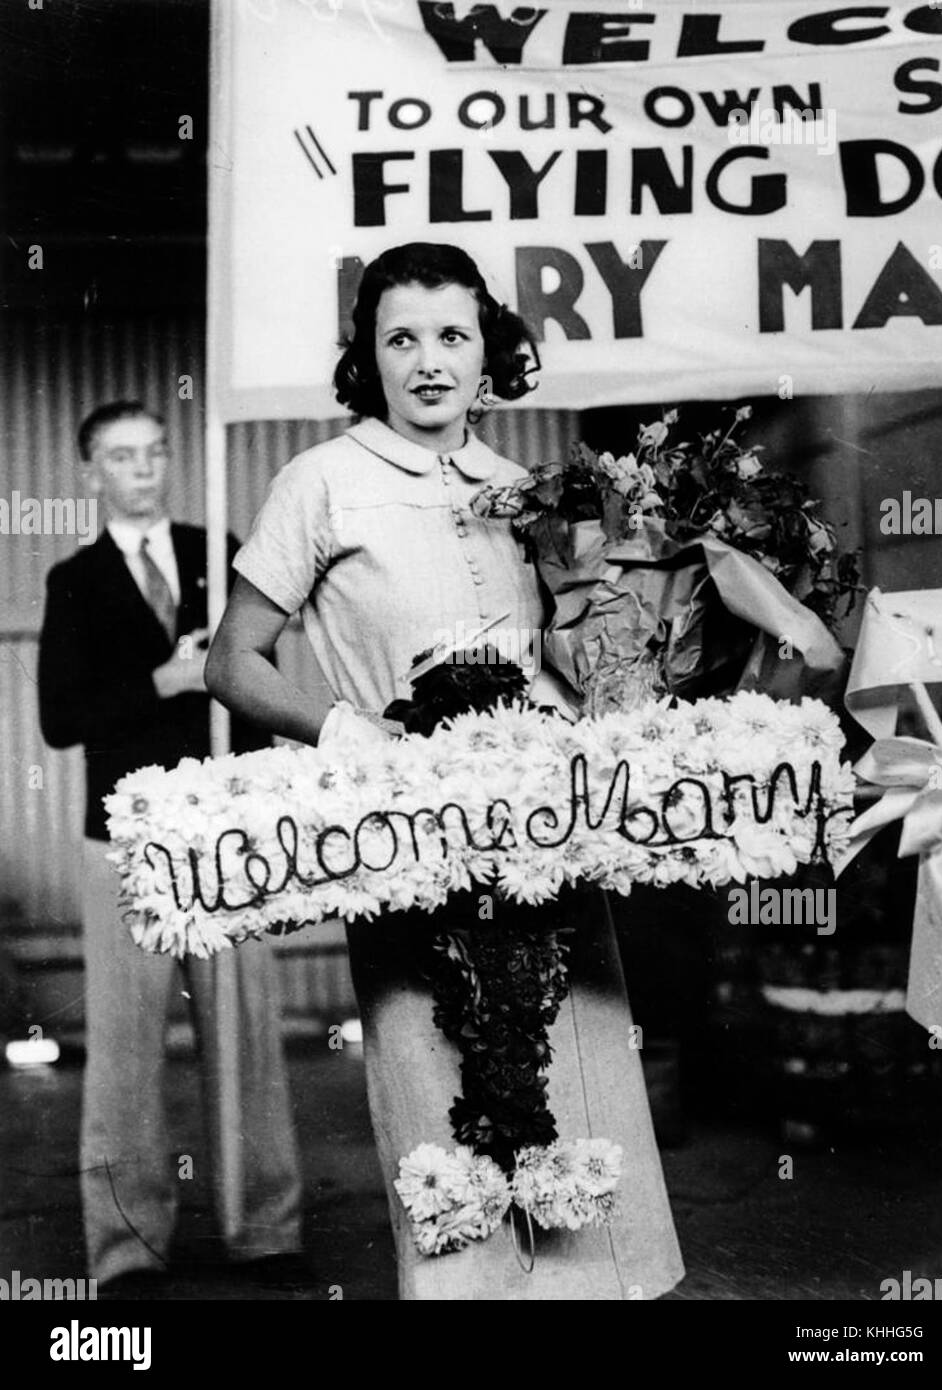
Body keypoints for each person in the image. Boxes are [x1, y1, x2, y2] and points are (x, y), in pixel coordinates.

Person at [205, 243, 685, 1300]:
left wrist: (622, 624)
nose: (429, 360)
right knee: (444, 1128)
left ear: (489, 354)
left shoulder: (527, 490)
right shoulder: (319, 481)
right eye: (401, 337)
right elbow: (229, 660)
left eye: (453, 335)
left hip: (548, 856)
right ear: (367, 358)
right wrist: (350, 735)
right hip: (409, 858)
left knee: (584, 1109)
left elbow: (584, 663)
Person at [38, 401, 305, 1297]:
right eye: (123, 456)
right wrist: (162, 679)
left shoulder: (215, 548)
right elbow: (59, 718)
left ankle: (265, 1232)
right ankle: (125, 1249)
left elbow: (261, 672)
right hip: (126, 842)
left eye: (155, 452)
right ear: (92, 472)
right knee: (122, 1049)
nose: (145, 469)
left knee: (247, 1038)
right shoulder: (74, 579)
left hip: (227, 830)